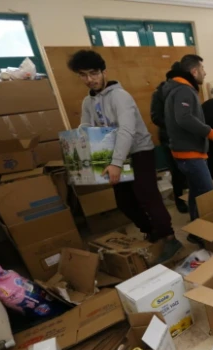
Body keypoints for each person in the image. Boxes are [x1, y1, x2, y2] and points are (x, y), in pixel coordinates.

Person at [68, 50, 182, 264]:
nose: (89, 79)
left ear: (104, 72)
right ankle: (151, 231)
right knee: (125, 202)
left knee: (147, 196)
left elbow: (126, 131)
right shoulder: (88, 102)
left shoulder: (120, 96)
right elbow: (87, 129)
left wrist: (116, 163)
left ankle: (170, 238)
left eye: (93, 73)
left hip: (138, 151)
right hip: (113, 155)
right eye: (83, 75)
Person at [162, 55, 213, 235]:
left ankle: (196, 232)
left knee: (196, 193)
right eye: (203, 69)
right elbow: (184, 118)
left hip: (185, 152)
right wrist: (212, 134)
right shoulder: (184, 90)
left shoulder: (176, 89)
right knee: (208, 196)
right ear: (194, 71)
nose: (205, 73)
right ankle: (211, 235)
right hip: (190, 153)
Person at [151, 78, 188, 214]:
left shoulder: (183, 91)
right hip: (169, 138)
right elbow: (155, 117)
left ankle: (191, 198)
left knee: (189, 170)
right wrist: (174, 124)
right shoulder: (159, 94)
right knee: (176, 171)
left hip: (186, 136)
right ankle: (179, 201)